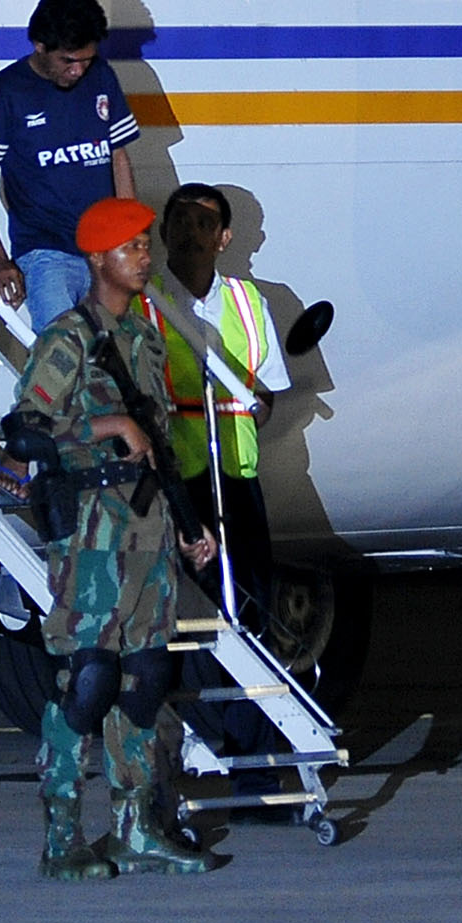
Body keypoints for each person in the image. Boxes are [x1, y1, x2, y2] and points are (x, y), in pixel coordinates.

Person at [14, 197, 219, 880]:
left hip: (149, 527)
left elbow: (158, 444)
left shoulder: (146, 340)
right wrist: (101, 431)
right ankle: (62, 831)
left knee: (148, 675)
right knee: (91, 678)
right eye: (130, 247)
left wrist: (191, 528)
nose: (144, 257)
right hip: (91, 535)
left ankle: (135, 827)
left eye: (142, 246)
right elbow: (21, 433)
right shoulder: (68, 340)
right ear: (98, 258)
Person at [150, 182, 294, 810]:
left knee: (252, 618)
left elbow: (271, 394)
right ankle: (166, 766)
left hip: (234, 473)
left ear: (226, 238)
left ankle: (254, 770)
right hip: (175, 482)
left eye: (205, 221)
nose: (192, 230)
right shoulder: (147, 303)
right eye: (180, 219)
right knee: (170, 623)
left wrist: (254, 403)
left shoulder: (247, 299)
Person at [0, 0, 140, 331]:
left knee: (117, 367)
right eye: (68, 61)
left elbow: (118, 157)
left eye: (85, 60)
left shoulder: (101, 75)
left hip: (105, 254)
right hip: (45, 255)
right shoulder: (4, 94)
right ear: (39, 45)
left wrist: (129, 237)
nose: (78, 71)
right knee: (63, 364)